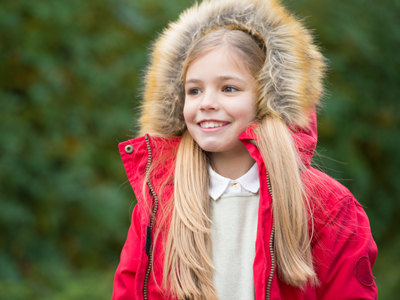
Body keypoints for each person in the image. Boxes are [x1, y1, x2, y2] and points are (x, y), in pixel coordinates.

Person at [112, 0, 378, 299]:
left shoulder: (325, 206)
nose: (207, 103)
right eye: (194, 90)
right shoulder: (160, 201)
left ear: (266, 101)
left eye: (229, 88)